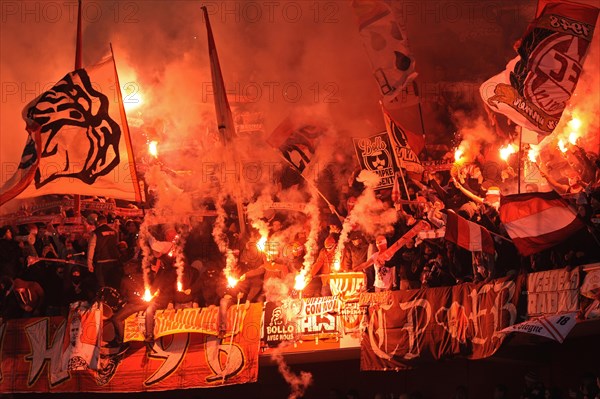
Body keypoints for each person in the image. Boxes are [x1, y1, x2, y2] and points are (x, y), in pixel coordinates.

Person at [87, 215, 121, 289]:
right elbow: (117, 245)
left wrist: (89, 263)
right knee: (113, 285)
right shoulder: (114, 232)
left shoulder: (95, 233)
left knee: (103, 286)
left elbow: (91, 249)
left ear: (98, 222)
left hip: (101, 262)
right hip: (114, 262)